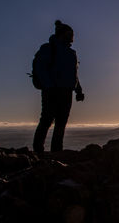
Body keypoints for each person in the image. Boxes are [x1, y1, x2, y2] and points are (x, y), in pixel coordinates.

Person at [33, 20, 85, 153]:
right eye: (70, 34)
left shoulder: (71, 53)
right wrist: (48, 86)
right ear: (62, 34)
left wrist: (78, 91)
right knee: (46, 120)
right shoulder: (49, 48)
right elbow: (41, 69)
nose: (72, 37)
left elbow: (74, 74)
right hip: (52, 91)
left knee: (61, 123)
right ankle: (38, 152)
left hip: (66, 91)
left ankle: (56, 152)